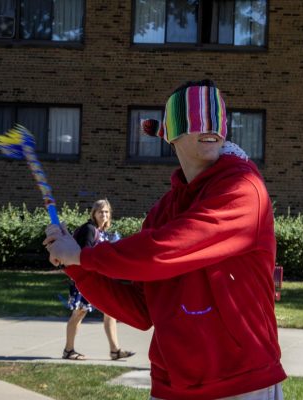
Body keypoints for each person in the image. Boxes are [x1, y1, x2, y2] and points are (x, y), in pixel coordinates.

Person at [44, 80, 286, 399]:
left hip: (242, 383)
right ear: (172, 134)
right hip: (171, 385)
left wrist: (83, 257)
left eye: (216, 117)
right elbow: (142, 310)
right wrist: (77, 267)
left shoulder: (243, 189)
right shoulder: (162, 212)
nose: (210, 127)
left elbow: (166, 249)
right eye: (196, 117)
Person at [62, 199, 134, 362]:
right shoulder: (89, 229)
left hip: (99, 278)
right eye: (100, 211)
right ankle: (68, 350)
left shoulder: (102, 232)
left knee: (110, 312)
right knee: (79, 312)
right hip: (84, 279)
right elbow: (84, 256)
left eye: (107, 212)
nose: (104, 214)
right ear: (94, 213)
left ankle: (115, 350)